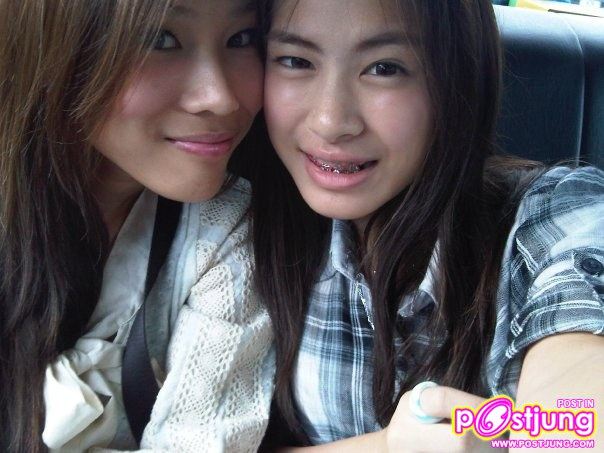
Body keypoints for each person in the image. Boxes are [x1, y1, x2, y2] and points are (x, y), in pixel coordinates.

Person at [248, 0, 604, 450]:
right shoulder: (240, 227)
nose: (331, 122)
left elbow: (579, 421)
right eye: (296, 61)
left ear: (455, 81)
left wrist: (541, 437)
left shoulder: (555, 219)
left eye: (385, 68)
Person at [0, 0, 273, 451]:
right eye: (159, 39)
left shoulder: (223, 229)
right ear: (58, 46)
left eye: (241, 38)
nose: (220, 96)